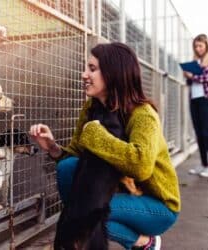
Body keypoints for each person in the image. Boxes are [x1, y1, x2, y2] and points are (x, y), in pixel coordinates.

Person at [30, 42, 180, 250]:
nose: (84, 75)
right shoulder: (91, 109)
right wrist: (53, 147)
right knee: (68, 168)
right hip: (122, 194)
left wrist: (97, 136)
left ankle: (145, 243)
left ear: (113, 73)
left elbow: (141, 166)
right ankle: (78, 238)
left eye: (92, 69)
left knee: (93, 211)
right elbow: (76, 157)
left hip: (157, 206)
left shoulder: (143, 115)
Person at [183, 34, 208, 178]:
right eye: (196, 46)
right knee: (198, 132)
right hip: (194, 99)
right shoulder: (195, 62)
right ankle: (203, 164)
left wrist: (192, 76)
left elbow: (206, 78)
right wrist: (187, 75)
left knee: (207, 132)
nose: (198, 48)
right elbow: (190, 82)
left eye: (201, 45)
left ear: (206, 46)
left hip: (206, 99)